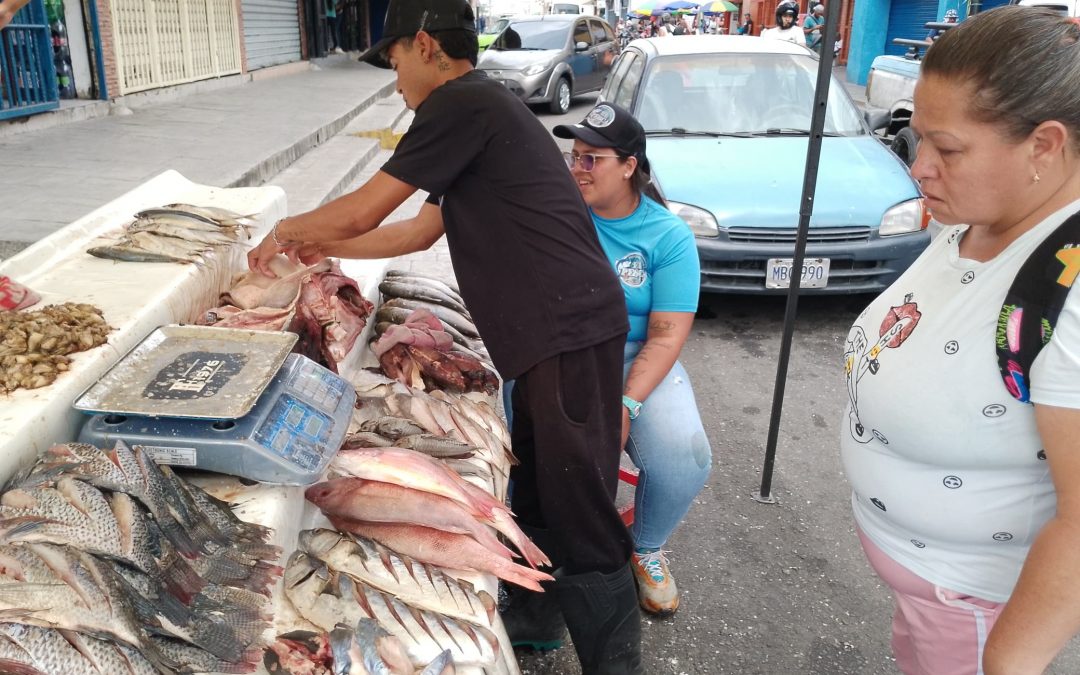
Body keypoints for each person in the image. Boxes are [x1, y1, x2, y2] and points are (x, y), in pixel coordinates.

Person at [246, 0, 643, 671]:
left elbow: (372, 204)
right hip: (552, 330)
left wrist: (289, 232)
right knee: (544, 488)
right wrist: (324, 251)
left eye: (396, 58)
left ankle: (617, 665)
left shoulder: (458, 105)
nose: (394, 77)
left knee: (580, 505)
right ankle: (539, 622)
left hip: (566, 327)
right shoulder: (477, 109)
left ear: (426, 45)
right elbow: (416, 231)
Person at [839, 7, 1080, 674]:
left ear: (1044, 145)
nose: (920, 169)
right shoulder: (980, 214)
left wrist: (1006, 662)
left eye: (947, 149)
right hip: (929, 590)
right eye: (919, 142)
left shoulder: (1070, 285)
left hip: (976, 611)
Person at [552, 102, 712, 617]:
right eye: (574, 156)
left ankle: (645, 547)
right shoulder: (558, 213)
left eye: (592, 159)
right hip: (564, 356)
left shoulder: (667, 236)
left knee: (685, 458)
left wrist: (626, 404)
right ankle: (529, 542)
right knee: (522, 451)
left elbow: (665, 337)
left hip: (635, 358)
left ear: (629, 165)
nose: (578, 168)